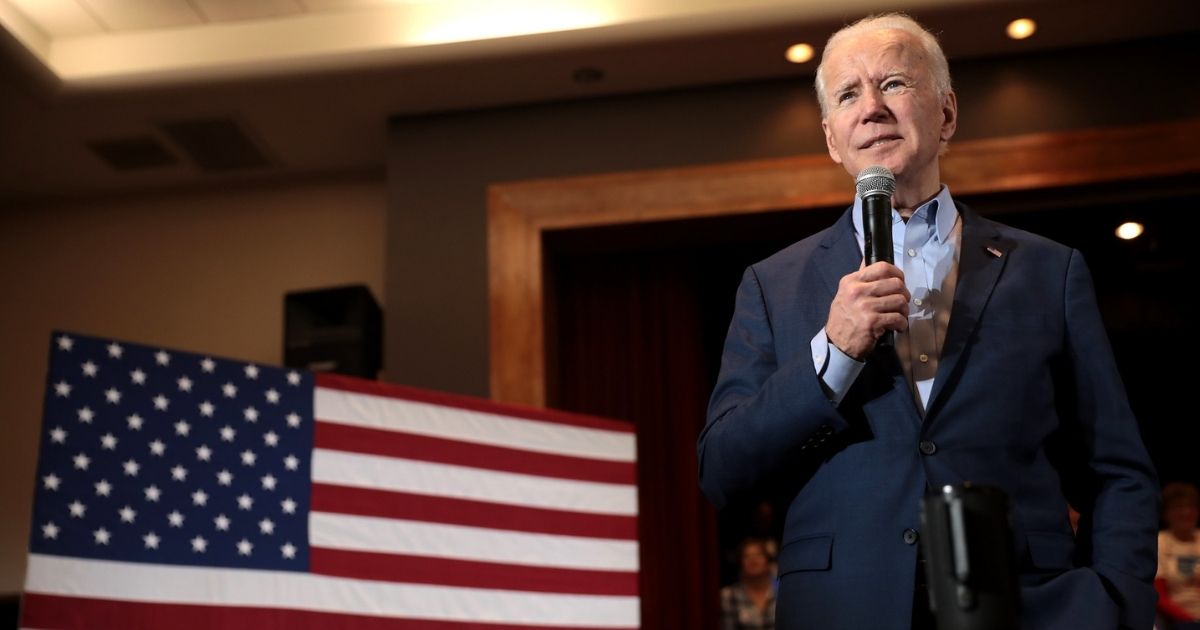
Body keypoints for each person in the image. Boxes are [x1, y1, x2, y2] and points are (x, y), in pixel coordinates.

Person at [696, 12, 1159, 630]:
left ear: (946, 115)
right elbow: (722, 469)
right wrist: (833, 352)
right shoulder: (772, 284)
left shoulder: (1050, 271)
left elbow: (1116, 469)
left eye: (893, 84)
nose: (872, 109)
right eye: (848, 94)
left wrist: (1116, 602)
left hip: (1027, 610)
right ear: (833, 138)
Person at [1157, 482, 1200, 628]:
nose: (1185, 512)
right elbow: (1159, 596)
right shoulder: (1160, 542)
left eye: (1190, 507)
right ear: (1166, 513)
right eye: (1178, 507)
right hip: (1176, 620)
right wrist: (1191, 620)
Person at [720, 537, 778, 630]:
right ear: (740, 562)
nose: (753, 560)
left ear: (768, 560)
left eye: (758, 555)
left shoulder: (782, 591)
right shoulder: (728, 595)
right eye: (747, 556)